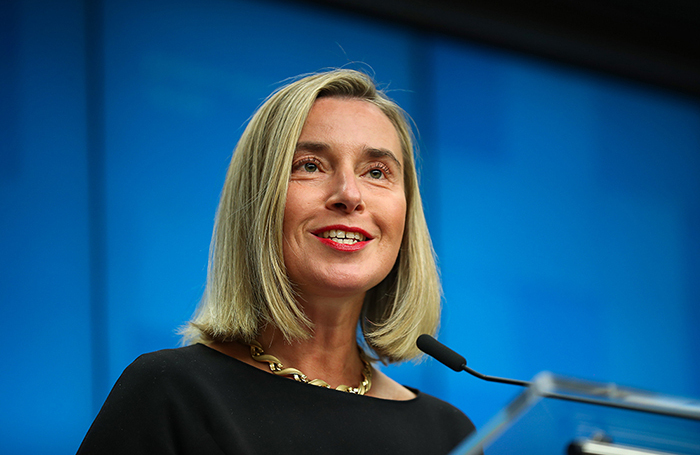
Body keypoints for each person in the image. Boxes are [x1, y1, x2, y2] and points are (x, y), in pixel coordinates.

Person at [77, 69, 476, 454]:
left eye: (376, 172)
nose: (350, 195)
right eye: (310, 166)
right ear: (258, 201)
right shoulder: (170, 393)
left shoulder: (450, 435)